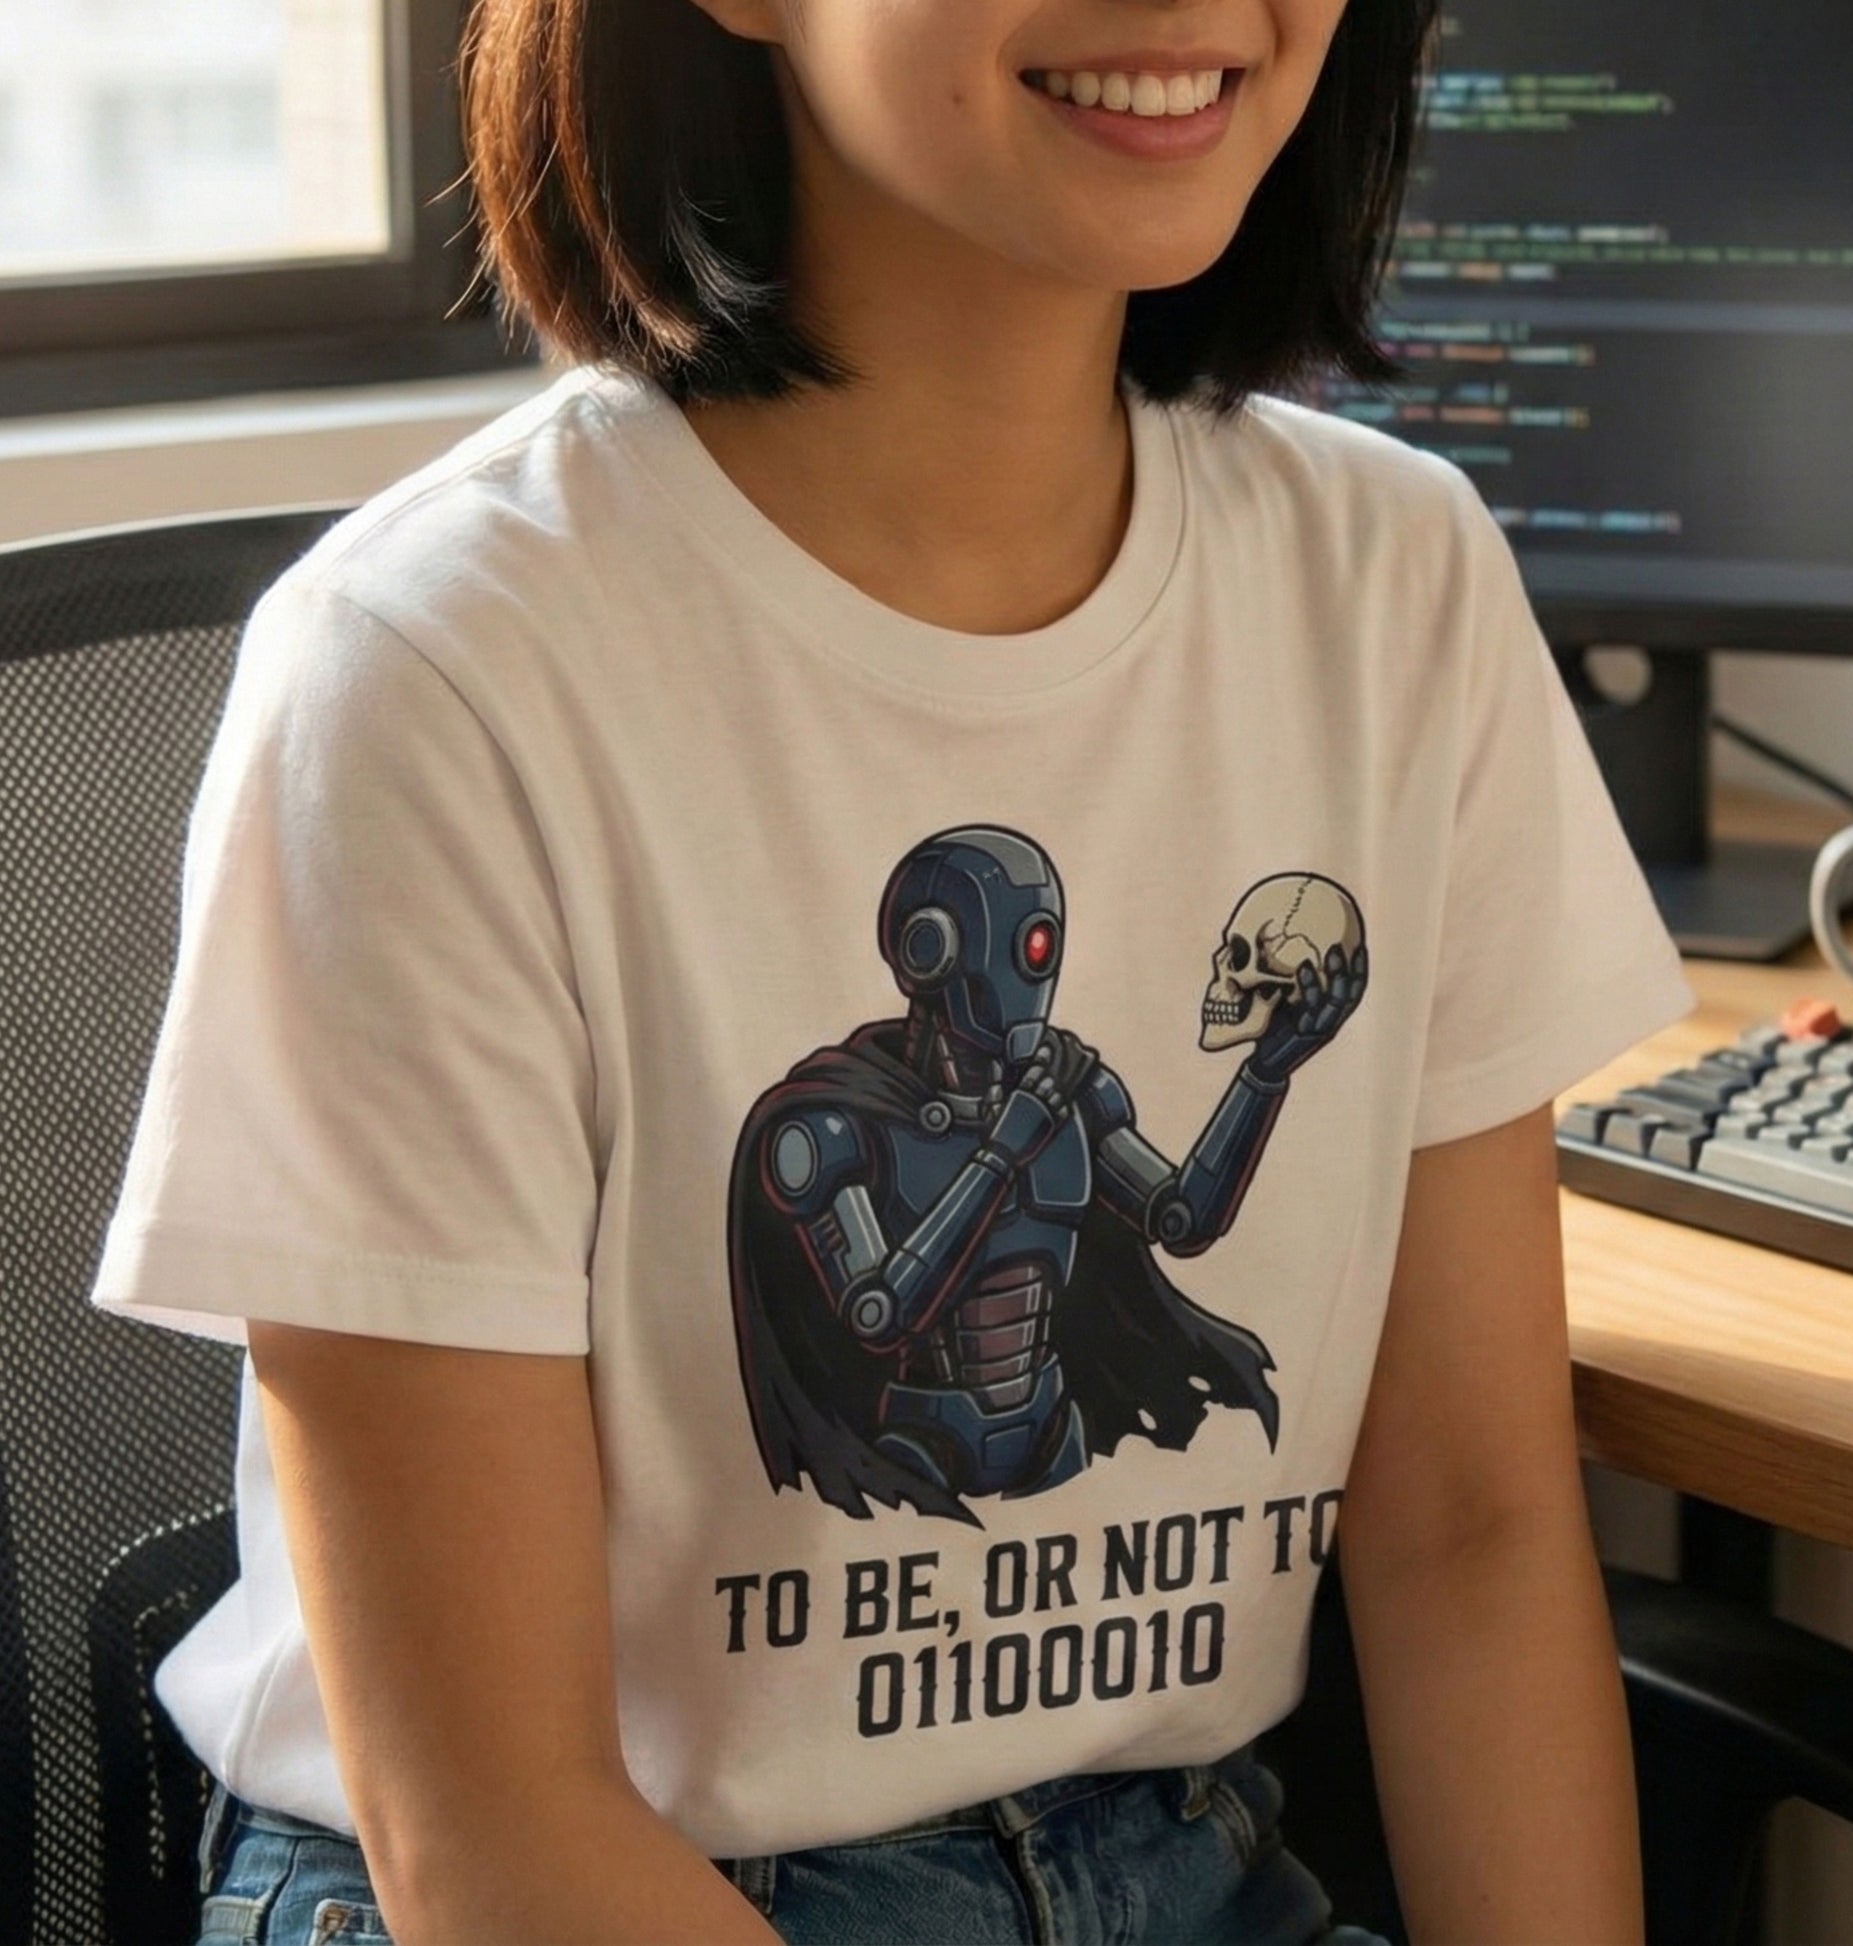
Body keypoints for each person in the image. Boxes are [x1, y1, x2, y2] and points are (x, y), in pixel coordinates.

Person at [91, 0, 1694, 1939]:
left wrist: (1274, 1064)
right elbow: (488, 1826)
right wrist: (993, 1162)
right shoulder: (432, 675)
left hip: (1169, 1850)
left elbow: (1471, 1533)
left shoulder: (1396, 583)